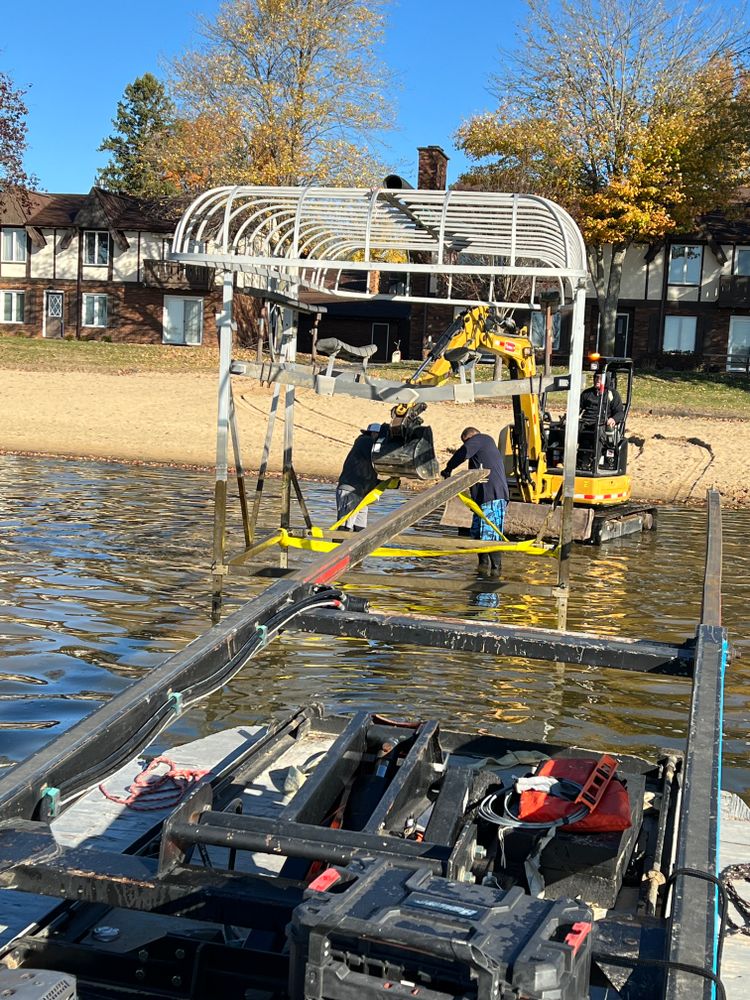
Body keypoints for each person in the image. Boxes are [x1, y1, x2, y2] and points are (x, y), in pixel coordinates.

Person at [441, 427, 509, 579]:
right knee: (479, 535)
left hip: (493, 497)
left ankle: (496, 572)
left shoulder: (483, 439)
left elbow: (462, 453)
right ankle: (482, 569)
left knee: (491, 535)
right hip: (481, 499)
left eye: (466, 442)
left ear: (470, 438)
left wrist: (448, 469)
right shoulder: (481, 451)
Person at [336, 423, 383, 531]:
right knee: (344, 528)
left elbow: (366, 474)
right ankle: (337, 547)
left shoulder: (365, 451)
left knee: (360, 529)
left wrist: (379, 483)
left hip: (360, 493)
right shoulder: (365, 441)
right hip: (351, 490)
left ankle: (357, 547)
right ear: (374, 434)